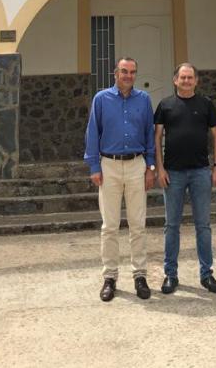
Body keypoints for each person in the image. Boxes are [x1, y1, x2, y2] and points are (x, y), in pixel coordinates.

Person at [84, 56, 156, 302]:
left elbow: (149, 134)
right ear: (115, 73)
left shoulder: (144, 100)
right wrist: (94, 166)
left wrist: (150, 167)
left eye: (132, 72)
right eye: (124, 71)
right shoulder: (101, 99)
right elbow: (93, 131)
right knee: (110, 226)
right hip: (109, 166)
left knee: (138, 224)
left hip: (136, 165)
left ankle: (140, 275)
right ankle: (110, 277)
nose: (128, 76)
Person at [154, 63, 216, 295]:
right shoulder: (165, 105)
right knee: (171, 226)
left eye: (190, 77)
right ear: (175, 80)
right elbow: (157, 138)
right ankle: (170, 275)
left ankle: (207, 274)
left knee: (203, 226)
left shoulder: (206, 105)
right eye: (182, 77)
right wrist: (159, 169)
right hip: (172, 174)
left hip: (201, 173)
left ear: (196, 80)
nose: (186, 81)